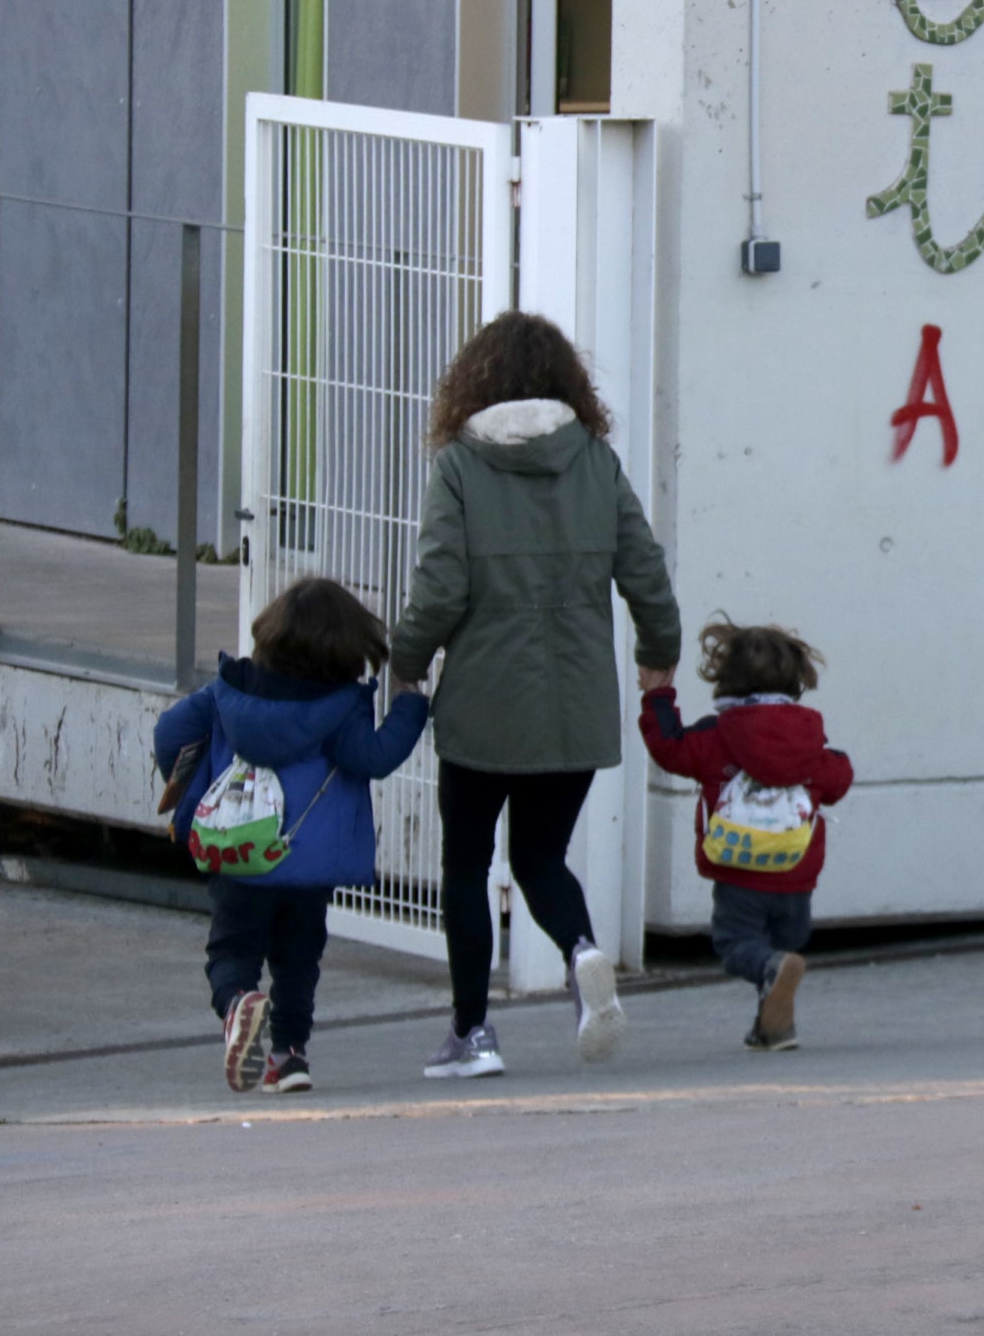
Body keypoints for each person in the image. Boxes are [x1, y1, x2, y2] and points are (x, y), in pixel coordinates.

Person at [391, 311, 682, 1079]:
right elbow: (647, 576)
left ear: (473, 380)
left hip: (484, 703)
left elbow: (439, 589)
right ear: (566, 380)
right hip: (577, 697)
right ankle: (583, 951)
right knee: (541, 855)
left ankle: (472, 1033)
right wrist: (660, 658)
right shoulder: (595, 461)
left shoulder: (458, 466)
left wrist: (407, 661)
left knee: (465, 864)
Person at [154, 577, 429, 1095]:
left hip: (238, 851)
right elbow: (374, 758)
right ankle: (290, 1057)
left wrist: (195, 776)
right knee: (299, 959)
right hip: (308, 866)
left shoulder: (228, 690)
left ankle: (237, 1003)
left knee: (232, 950)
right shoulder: (343, 706)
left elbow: (169, 735)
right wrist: (410, 703)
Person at [640, 618, 854, 1051]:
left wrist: (657, 695)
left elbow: (670, 747)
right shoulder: (810, 739)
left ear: (726, 679)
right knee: (779, 953)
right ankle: (773, 1028)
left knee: (739, 946)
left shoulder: (716, 735)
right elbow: (837, 782)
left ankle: (773, 979)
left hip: (738, 870)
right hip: (795, 874)